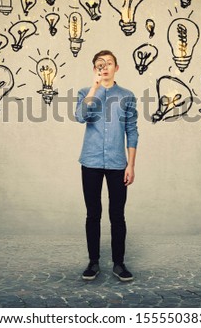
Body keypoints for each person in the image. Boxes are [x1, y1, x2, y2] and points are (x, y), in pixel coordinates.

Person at [75, 50, 139, 282]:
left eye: (109, 63)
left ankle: (119, 264)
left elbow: (132, 131)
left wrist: (130, 165)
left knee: (117, 215)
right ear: (95, 68)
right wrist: (94, 88)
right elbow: (81, 117)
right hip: (90, 161)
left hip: (117, 164)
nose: (104, 67)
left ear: (116, 67)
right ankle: (93, 262)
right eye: (99, 64)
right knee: (93, 214)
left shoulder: (127, 96)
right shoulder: (85, 93)